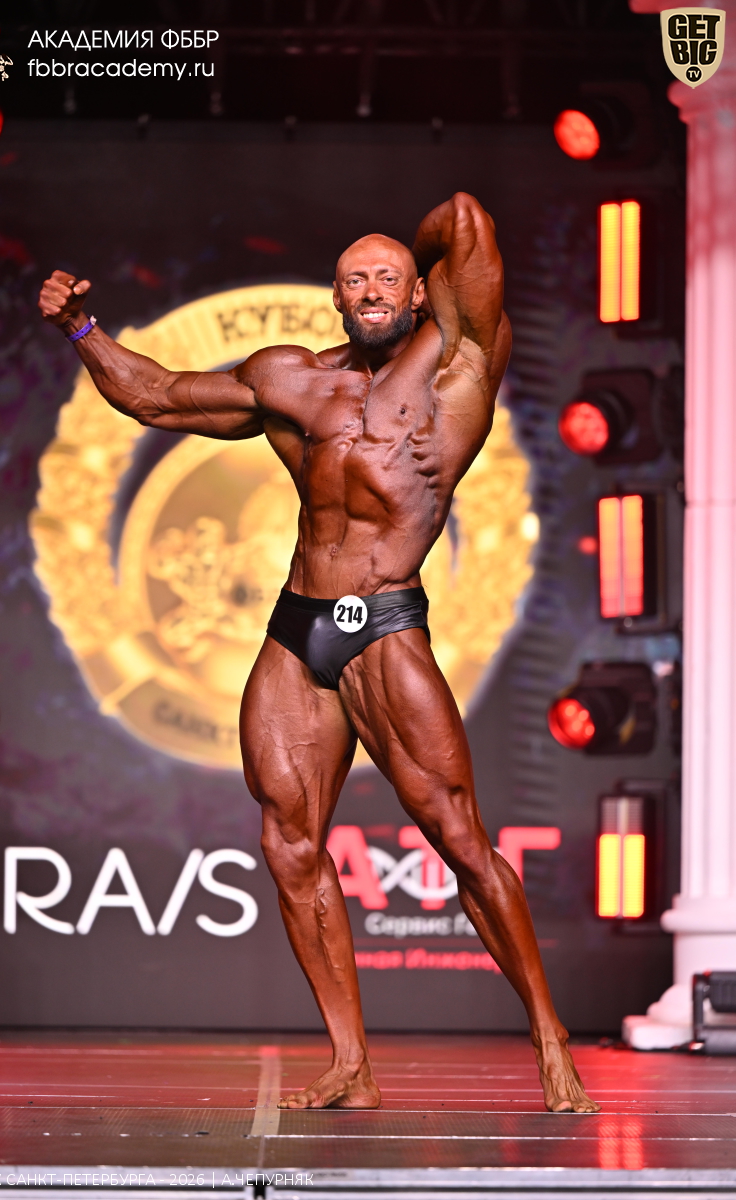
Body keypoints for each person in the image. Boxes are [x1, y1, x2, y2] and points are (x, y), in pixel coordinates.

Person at [39, 192, 599, 1115]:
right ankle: (350, 1062)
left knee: (458, 837)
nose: (370, 290)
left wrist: (414, 256)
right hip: (299, 627)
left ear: (418, 293)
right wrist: (81, 329)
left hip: (384, 621)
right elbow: (156, 396)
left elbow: (465, 219)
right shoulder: (292, 380)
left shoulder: (460, 363)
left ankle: (548, 1033)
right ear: (334, 299)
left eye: (387, 278)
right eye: (354, 280)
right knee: (287, 842)